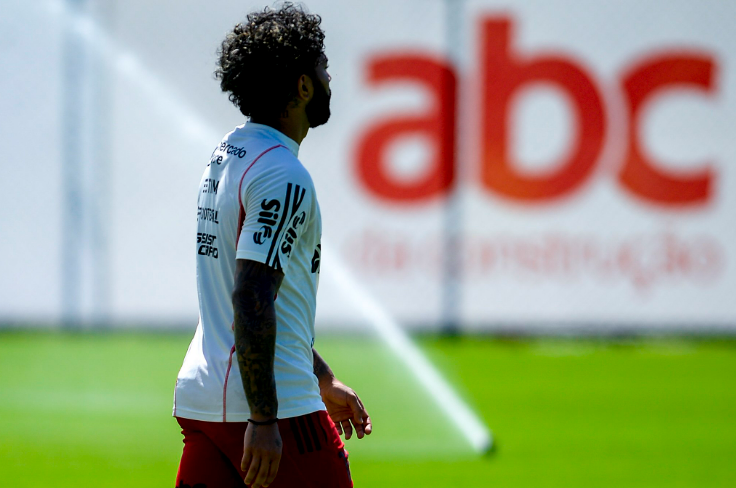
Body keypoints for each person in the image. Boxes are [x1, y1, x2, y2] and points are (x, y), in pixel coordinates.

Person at [173, 4, 371, 488]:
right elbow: (251, 297)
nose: (330, 78)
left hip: (204, 403)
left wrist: (321, 376)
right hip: (271, 411)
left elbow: (265, 302)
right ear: (302, 87)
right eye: (323, 68)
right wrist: (264, 419)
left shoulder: (227, 152)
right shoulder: (284, 173)